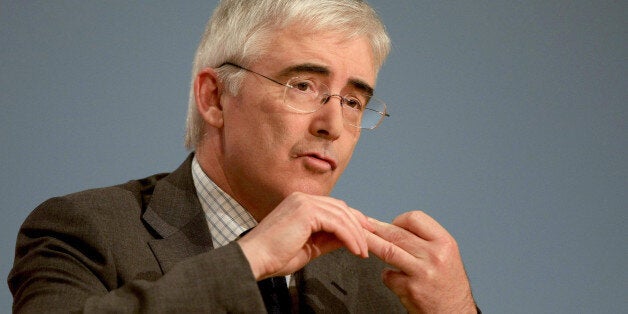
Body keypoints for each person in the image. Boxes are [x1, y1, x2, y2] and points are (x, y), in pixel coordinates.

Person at [9, 0, 480, 312]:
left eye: (353, 101)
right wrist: (249, 257)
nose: (332, 125)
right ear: (215, 97)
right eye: (303, 86)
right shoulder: (83, 230)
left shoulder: (383, 283)